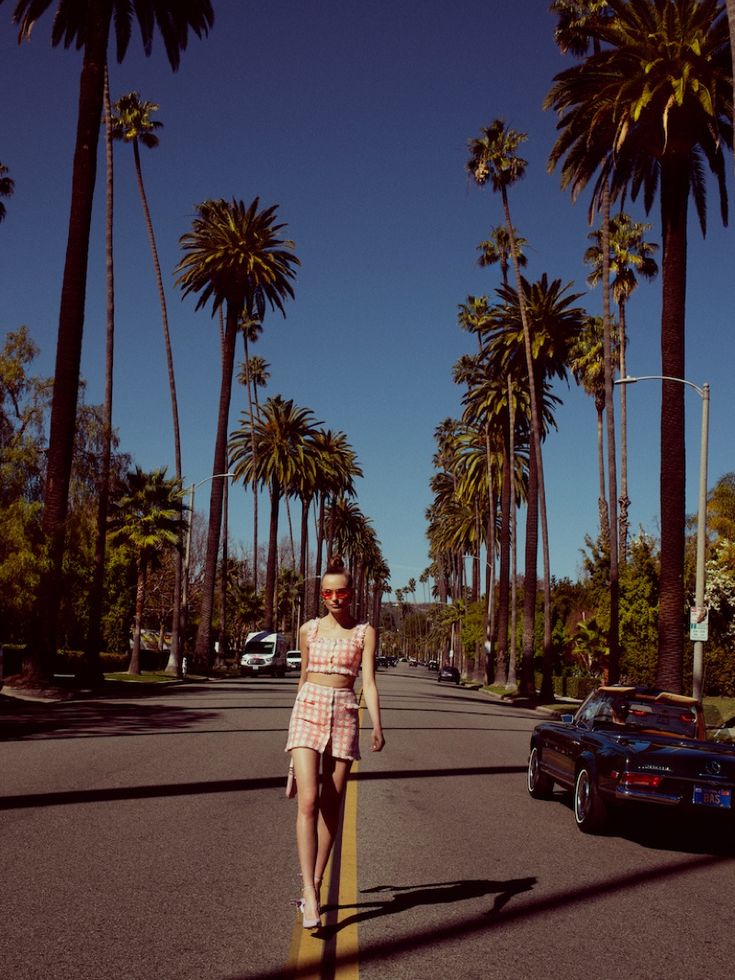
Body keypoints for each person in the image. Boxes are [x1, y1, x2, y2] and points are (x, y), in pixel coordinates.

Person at [285, 555, 385, 930]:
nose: (334, 598)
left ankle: (317, 882)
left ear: (351, 593)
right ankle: (308, 894)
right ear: (321, 594)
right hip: (308, 707)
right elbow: (303, 678)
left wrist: (377, 724)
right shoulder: (308, 630)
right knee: (308, 800)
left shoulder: (364, 632)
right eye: (327, 592)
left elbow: (369, 682)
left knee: (331, 805)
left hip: (345, 711)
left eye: (341, 591)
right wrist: (291, 738)